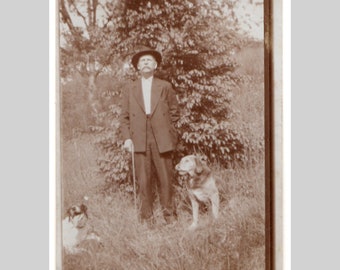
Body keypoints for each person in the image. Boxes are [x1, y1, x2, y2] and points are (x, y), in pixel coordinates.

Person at [120, 46, 180, 225]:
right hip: (138, 137)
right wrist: (127, 138)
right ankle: (147, 220)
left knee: (165, 179)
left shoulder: (165, 86)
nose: (146, 63)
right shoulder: (129, 88)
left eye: (149, 61)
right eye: (142, 61)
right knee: (143, 180)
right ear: (137, 67)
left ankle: (170, 217)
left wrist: (170, 133)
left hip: (161, 137)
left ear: (155, 66)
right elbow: (124, 117)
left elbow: (175, 113)